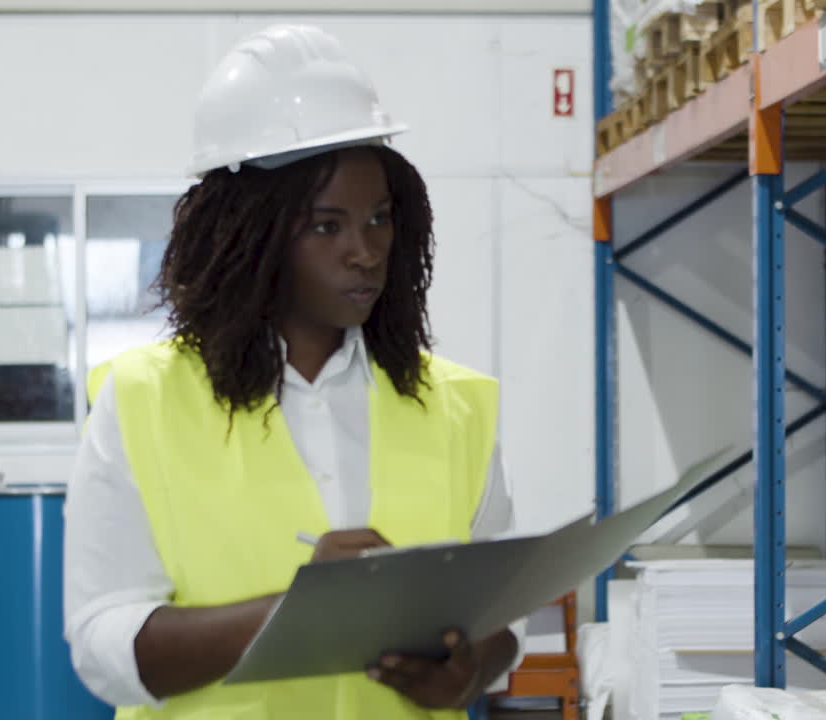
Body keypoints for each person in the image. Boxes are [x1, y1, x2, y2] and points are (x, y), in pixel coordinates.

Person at [63, 24, 523, 720]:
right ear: (246, 237)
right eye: (324, 226)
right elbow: (103, 647)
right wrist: (298, 614)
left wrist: (466, 673)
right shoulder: (143, 400)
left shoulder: (451, 407)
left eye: (378, 219)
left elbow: (500, 621)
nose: (365, 252)